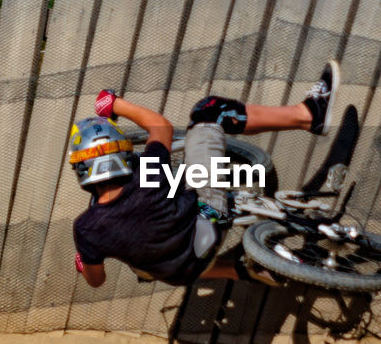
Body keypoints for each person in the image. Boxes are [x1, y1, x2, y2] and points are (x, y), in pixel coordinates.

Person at [70, 62, 340, 288]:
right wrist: (115, 104)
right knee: (209, 111)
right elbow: (160, 127)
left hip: (180, 272)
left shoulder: (87, 229)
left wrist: (84, 263)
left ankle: (245, 270)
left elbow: (96, 281)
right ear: (120, 155)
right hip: (210, 224)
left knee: (143, 260)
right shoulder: (147, 176)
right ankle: (309, 114)